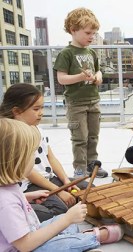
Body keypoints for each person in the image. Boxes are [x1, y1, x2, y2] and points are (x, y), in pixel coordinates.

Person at [0, 118, 124, 252]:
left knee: (62, 221)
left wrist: (27, 197)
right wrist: (67, 219)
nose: (35, 159)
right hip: (24, 248)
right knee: (65, 232)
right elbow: (25, 245)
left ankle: (71, 238)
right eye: (31, 154)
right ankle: (90, 237)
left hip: (31, 231)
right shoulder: (6, 203)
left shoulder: (7, 188)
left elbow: (11, 202)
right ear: (16, 161)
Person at [0, 83, 92, 222]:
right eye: (36, 109)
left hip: (48, 179)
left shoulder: (38, 129)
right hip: (28, 186)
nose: (41, 112)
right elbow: (29, 173)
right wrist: (59, 191)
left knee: (88, 188)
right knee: (59, 208)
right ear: (17, 111)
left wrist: (66, 182)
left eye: (42, 107)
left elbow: (51, 158)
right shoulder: (12, 136)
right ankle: (22, 211)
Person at [53, 7, 108, 178]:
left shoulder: (91, 52)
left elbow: (99, 71)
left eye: (94, 33)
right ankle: (79, 168)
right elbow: (61, 79)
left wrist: (98, 77)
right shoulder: (66, 53)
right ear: (73, 30)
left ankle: (92, 164)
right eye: (88, 33)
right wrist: (80, 76)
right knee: (80, 138)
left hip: (93, 100)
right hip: (76, 103)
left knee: (93, 136)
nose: (92, 36)